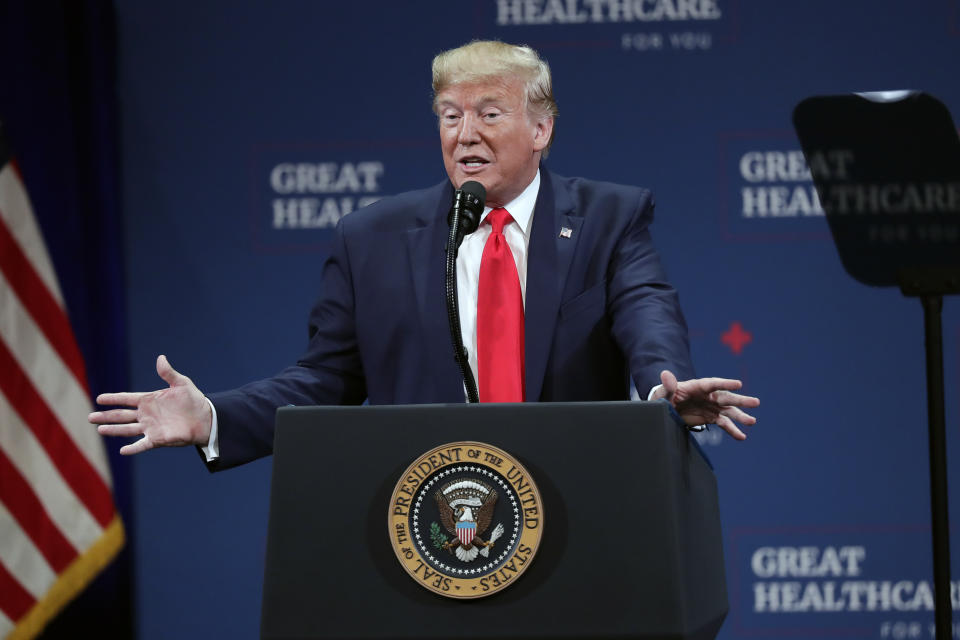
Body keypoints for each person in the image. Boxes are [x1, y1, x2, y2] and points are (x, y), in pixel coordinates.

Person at [90, 40, 758, 469]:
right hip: (432, 530)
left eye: (489, 114)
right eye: (449, 115)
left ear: (542, 129)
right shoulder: (371, 239)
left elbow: (647, 320)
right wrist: (215, 416)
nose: (465, 134)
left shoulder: (609, 219)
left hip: (579, 511)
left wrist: (662, 391)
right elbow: (326, 381)